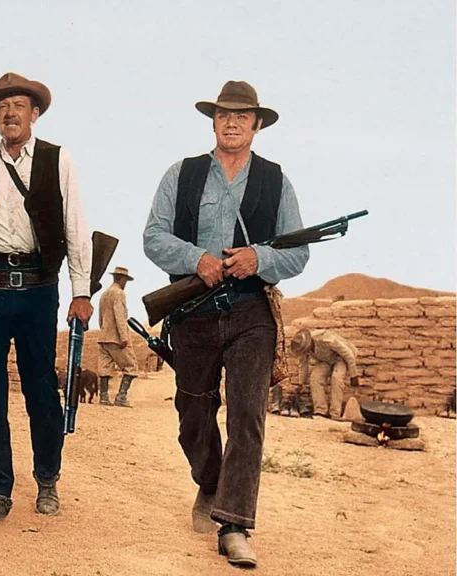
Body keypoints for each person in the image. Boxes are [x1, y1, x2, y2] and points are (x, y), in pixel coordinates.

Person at [142, 80, 309, 567]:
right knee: (192, 413)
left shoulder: (277, 181)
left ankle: (234, 524)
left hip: (250, 313)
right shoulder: (183, 174)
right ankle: (210, 482)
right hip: (192, 312)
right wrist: (198, 259)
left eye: (242, 117)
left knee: (247, 417)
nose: (232, 123)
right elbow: (153, 236)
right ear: (213, 122)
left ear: (257, 125)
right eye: (223, 115)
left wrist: (259, 258)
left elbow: (297, 253)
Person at [0, 73, 92, 526]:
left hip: (38, 290)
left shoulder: (58, 159)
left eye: (19, 105)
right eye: (2, 106)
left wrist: (81, 291)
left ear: (35, 113)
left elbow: (76, 228)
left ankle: (47, 478)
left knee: (40, 389)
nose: (10, 113)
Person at [290, 328, 360, 419]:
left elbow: (347, 353)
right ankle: (320, 410)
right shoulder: (303, 347)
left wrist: (353, 374)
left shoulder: (325, 339)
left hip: (340, 358)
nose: (307, 351)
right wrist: (301, 383)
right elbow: (303, 365)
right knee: (315, 378)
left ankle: (335, 413)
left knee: (337, 379)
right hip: (325, 360)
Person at [96, 266, 138, 407]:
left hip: (103, 336)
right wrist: (123, 336)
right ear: (123, 279)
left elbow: (101, 317)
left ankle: (103, 397)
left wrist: (103, 330)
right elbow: (120, 315)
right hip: (116, 338)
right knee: (131, 366)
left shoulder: (105, 293)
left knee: (105, 367)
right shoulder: (118, 293)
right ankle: (121, 397)